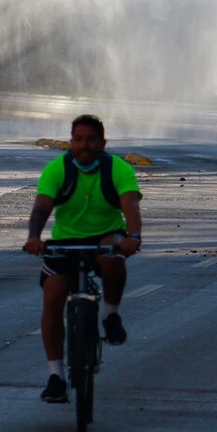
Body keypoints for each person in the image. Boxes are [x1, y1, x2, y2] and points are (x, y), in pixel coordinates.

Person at [23, 114, 143, 403]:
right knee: (52, 296)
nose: (84, 146)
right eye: (78, 139)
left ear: (103, 143)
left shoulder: (118, 169)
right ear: (71, 141)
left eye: (91, 140)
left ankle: (110, 315)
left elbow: (130, 205)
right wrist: (34, 237)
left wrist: (133, 237)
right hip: (65, 242)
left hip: (106, 237)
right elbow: (42, 206)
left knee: (114, 256)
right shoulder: (57, 170)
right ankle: (56, 376)